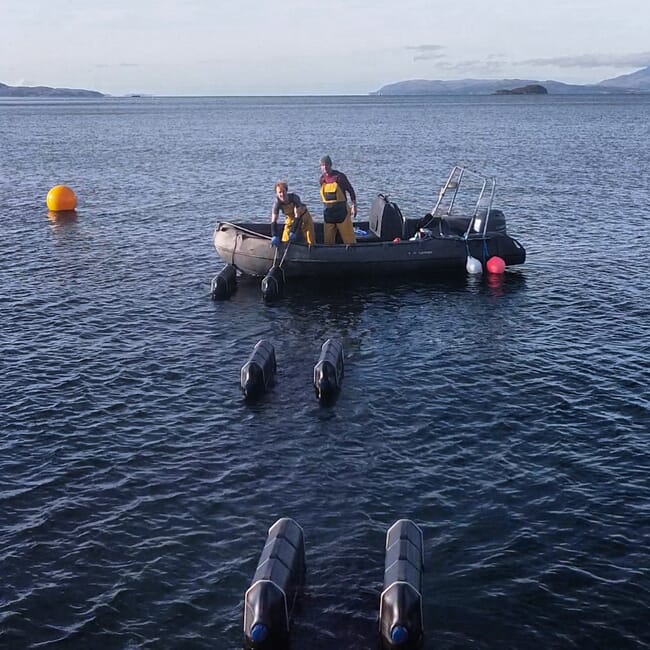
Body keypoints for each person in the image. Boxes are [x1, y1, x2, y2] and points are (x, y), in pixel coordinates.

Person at [318, 155, 357, 245]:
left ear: (330, 165)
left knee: (350, 242)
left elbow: (351, 191)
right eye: (322, 165)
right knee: (328, 242)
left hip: (342, 214)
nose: (325, 167)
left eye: (326, 164)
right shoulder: (322, 179)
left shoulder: (339, 177)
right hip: (328, 216)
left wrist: (354, 206)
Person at [270, 180, 316, 247]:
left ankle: (311, 249)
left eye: (283, 192)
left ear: (286, 191)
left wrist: (293, 231)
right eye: (279, 192)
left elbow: (298, 216)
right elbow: (274, 220)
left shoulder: (294, 198)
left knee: (310, 239)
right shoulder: (277, 203)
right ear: (277, 194)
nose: (282, 194)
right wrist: (274, 235)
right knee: (285, 239)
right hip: (290, 219)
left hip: (303, 217)